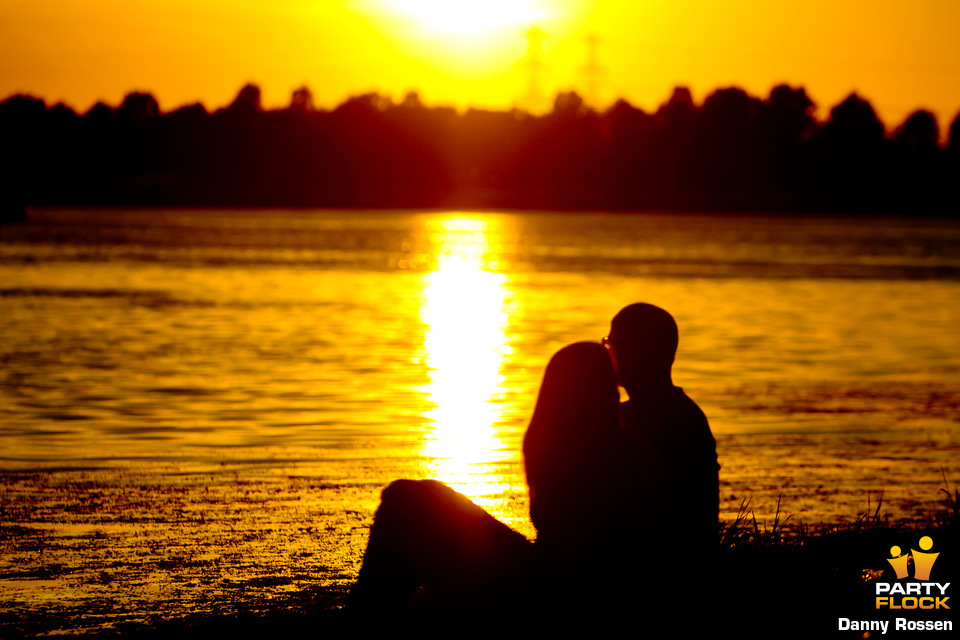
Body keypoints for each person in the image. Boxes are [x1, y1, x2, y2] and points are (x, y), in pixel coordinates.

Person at [349, 342, 621, 620]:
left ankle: (362, 619)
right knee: (419, 497)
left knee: (406, 499)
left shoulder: (606, 450)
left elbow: (552, 526)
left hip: (552, 595)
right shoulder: (625, 444)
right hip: (555, 582)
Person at [603, 303, 720, 564]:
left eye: (614, 342)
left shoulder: (668, 419)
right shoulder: (676, 411)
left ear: (639, 351)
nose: (608, 351)